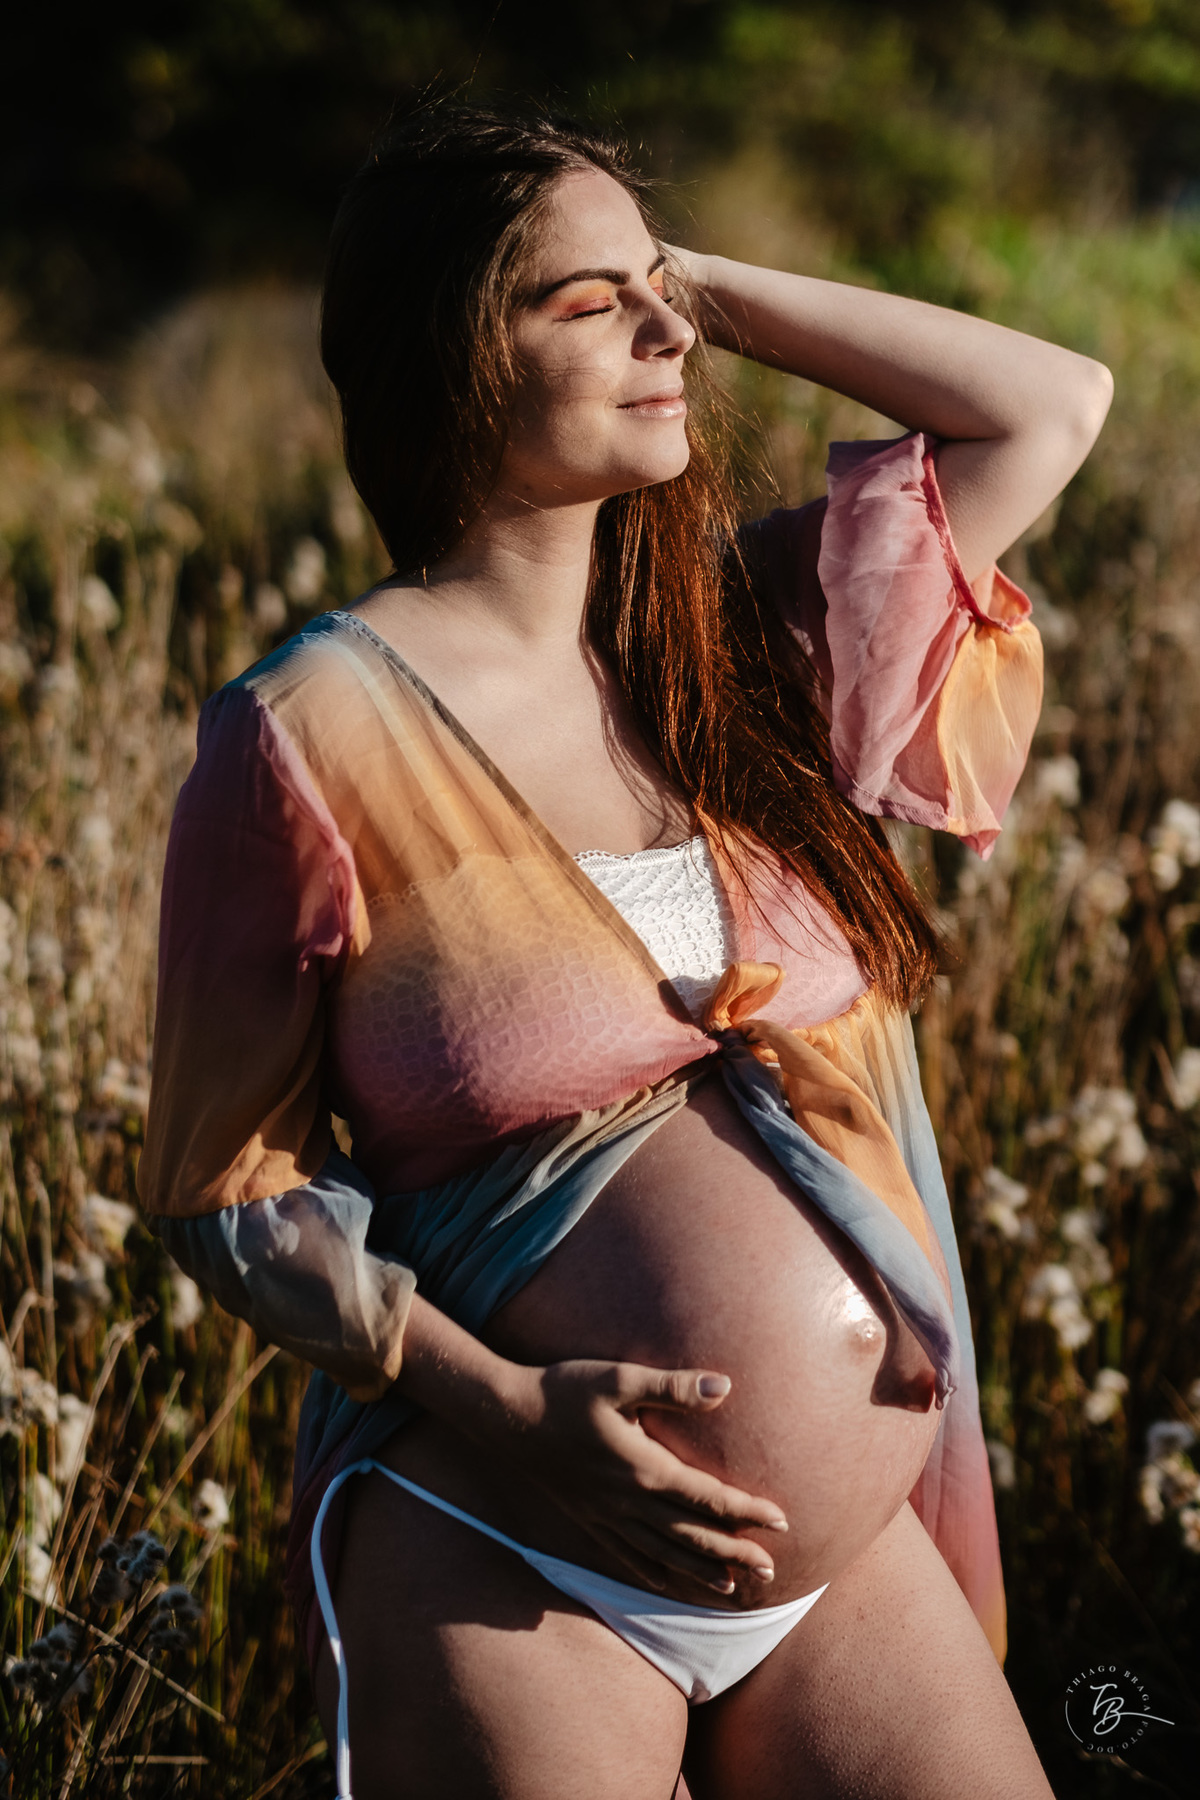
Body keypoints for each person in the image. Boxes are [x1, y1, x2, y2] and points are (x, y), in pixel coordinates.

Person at [137, 103, 1111, 1800]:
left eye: (657, 291)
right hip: (515, 1548)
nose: (664, 334)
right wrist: (510, 1415)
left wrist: (689, 283)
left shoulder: (731, 641)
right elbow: (226, 1186)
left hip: (834, 1568)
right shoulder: (306, 734)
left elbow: (1051, 403)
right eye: (585, 306)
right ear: (452, 351)